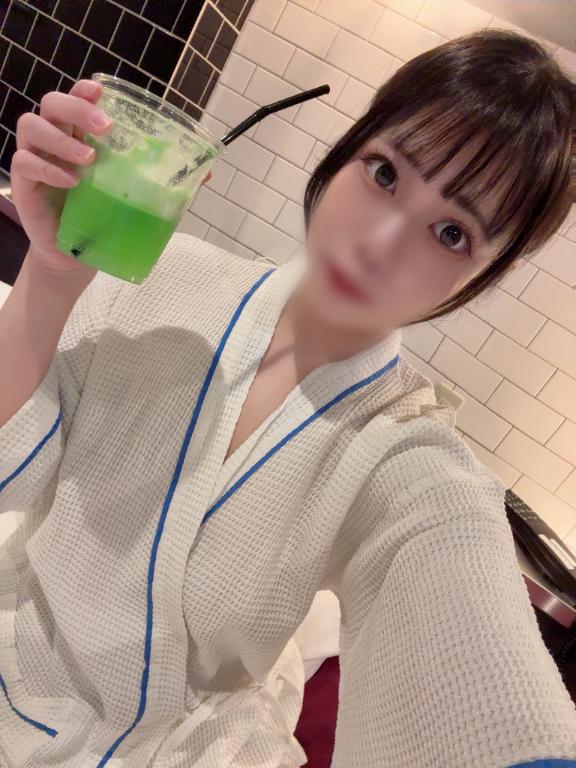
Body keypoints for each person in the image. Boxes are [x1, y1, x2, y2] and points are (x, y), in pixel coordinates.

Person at [0, 27, 575, 768]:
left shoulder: (401, 449)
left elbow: (463, 603)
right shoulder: (161, 276)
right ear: (350, 147)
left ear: (487, 274)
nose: (378, 243)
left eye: (451, 233)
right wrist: (50, 277)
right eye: (385, 173)